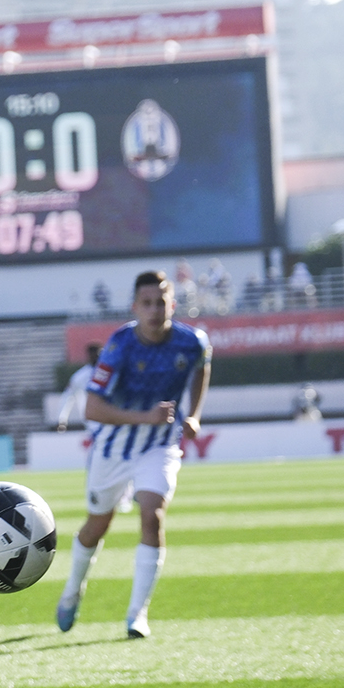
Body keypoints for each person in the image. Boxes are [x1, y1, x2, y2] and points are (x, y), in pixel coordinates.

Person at [56, 270, 211, 640]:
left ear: (172, 304)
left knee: (152, 516)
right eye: (147, 303)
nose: (155, 310)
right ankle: (72, 590)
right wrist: (146, 416)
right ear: (135, 307)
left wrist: (195, 414)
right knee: (97, 526)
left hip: (159, 446)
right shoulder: (119, 345)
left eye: (161, 302)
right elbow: (92, 409)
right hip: (113, 448)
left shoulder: (192, 342)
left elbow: (202, 369)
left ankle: (137, 614)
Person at [56, 343, 101, 432]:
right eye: (92, 354)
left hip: (112, 419)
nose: (95, 357)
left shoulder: (111, 373)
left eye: (97, 354)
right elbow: (68, 397)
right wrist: (62, 420)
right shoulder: (80, 376)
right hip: (92, 422)